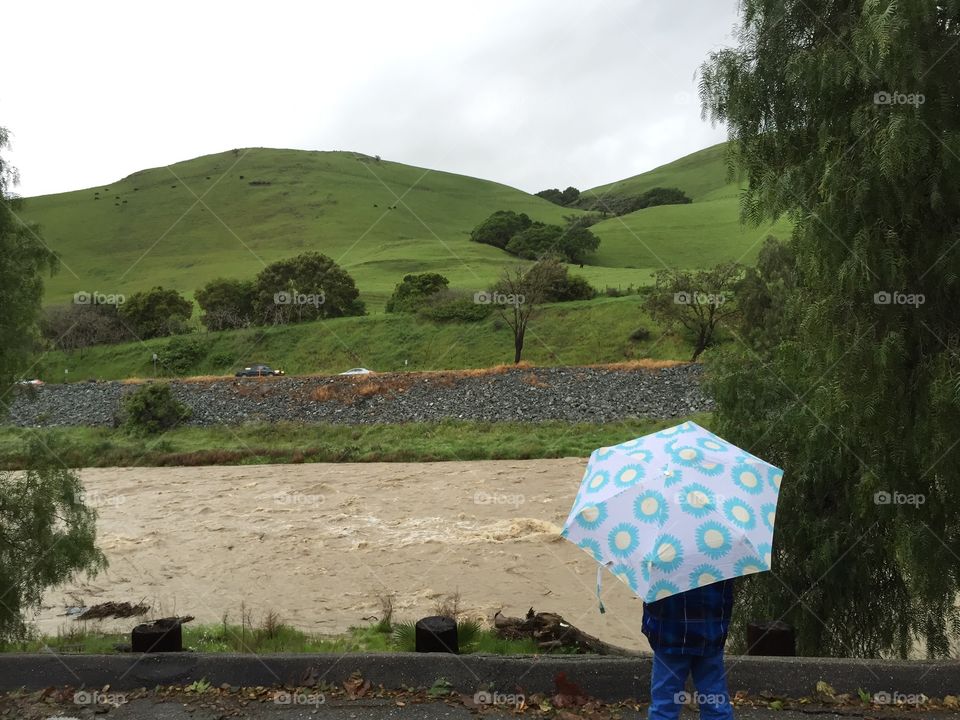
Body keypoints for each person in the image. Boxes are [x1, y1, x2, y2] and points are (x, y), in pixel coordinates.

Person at [642, 579, 735, 720]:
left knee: (664, 703)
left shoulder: (661, 557)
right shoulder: (719, 558)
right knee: (715, 700)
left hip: (669, 634)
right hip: (710, 631)